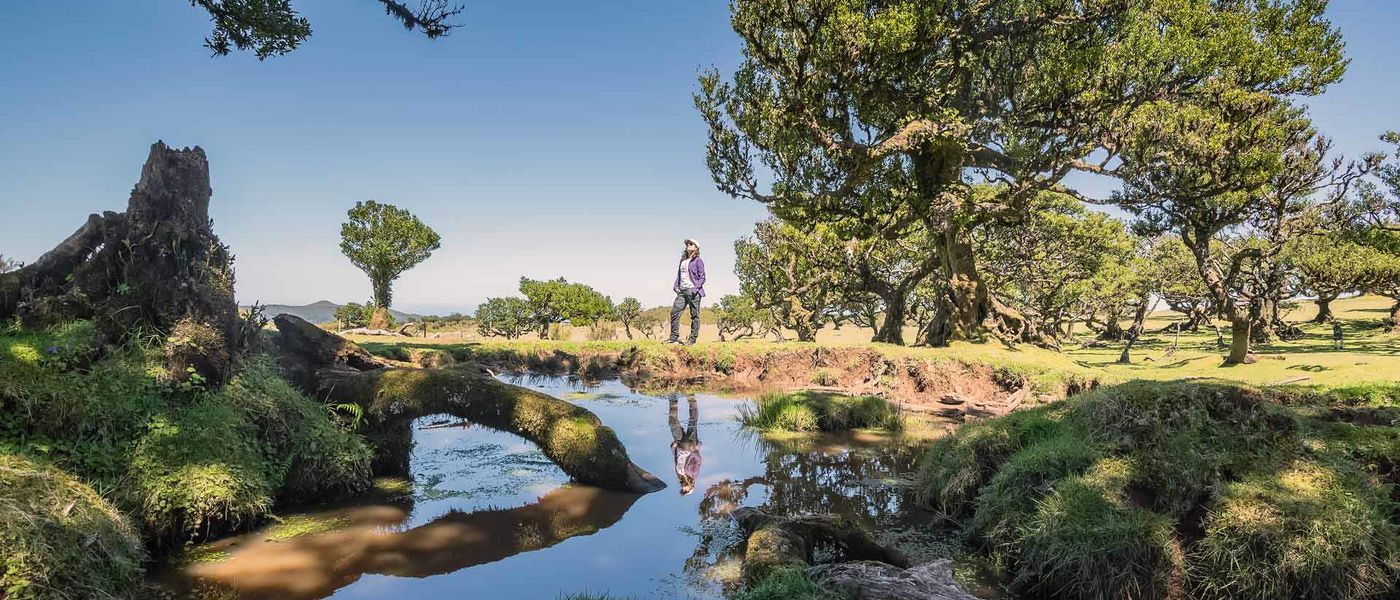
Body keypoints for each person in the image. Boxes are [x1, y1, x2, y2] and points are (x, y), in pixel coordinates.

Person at [668, 238, 706, 345]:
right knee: (674, 312)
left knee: (694, 315)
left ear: (696, 248)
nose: (688, 245)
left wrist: (695, 288)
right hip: (682, 291)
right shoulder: (683, 261)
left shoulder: (698, 261)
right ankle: (674, 337)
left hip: (693, 291)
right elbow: (679, 275)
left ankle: (692, 340)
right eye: (687, 244)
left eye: (691, 244)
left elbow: (702, 277)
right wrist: (676, 286)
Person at [669, 394, 702, 495]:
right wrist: (694, 450)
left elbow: (677, 460)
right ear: (691, 487)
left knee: (672, 423)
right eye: (686, 490)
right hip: (689, 447)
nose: (683, 489)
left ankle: (673, 397)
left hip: (679, 446)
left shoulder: (679, 475)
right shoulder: (693, 474)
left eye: (683, 490)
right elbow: (698, 460)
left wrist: (673, 448)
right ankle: (691, 398)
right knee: (692, 422)